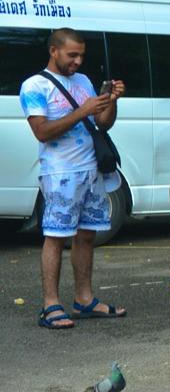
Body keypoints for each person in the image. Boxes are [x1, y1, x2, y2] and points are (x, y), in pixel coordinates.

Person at [20, 28, 126, 330]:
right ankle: (50, 305)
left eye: (81, 55)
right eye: (72, 55)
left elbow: (102, 124)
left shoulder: (83, 82)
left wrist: (111, 101)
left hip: (91, 170)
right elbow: (42, 131)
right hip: (60, 173)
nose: (78, 61)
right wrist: (83, 110)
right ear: (54, 51)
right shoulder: (34, 86)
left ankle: (84, 299)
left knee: (87, 234)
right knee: (55, 236)